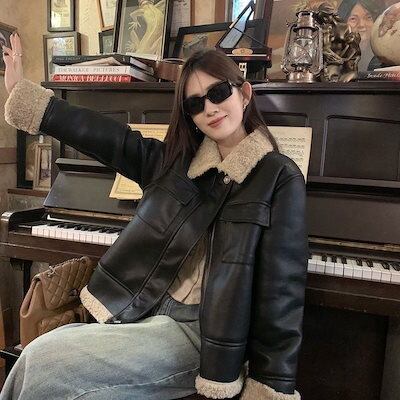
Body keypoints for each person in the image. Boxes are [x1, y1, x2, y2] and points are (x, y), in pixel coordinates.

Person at [1, 32, 308, 400]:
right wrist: (24, 95)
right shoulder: (176, 163)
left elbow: (282, 297)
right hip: (144, 308)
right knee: (36, 357)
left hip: (203, 334)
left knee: (47, 363)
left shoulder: (278, 176)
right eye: (196, 103)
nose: (210, 109)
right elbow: (106, 137)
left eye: (218, 93)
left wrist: (269, 387)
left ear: (244, 93)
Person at [338, 0, 385, 70]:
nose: (361, 25)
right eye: (353, 19)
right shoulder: (336, 57)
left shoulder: (384, 54)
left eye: (368, 17)